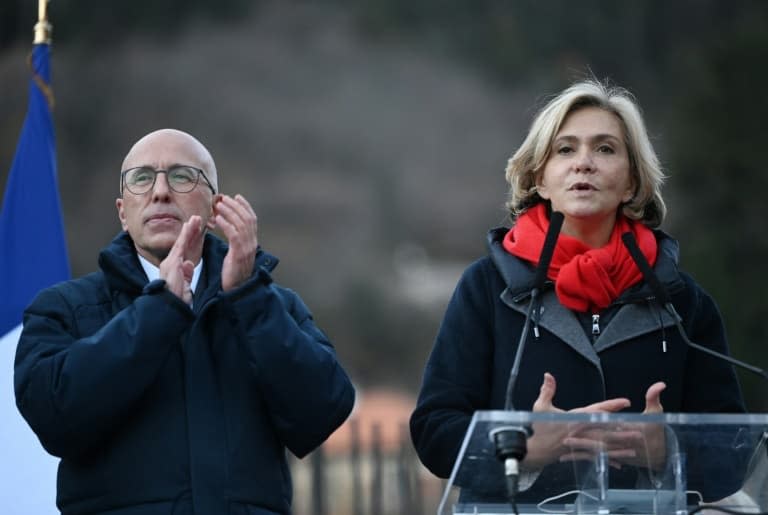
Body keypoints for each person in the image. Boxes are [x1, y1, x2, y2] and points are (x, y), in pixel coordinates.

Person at [410, 79, 747, 504]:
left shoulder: (681, 300)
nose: (583, 163)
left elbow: (734, 451)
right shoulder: (486, 287)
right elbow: (433, 430)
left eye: (605, 149)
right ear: (541, 181)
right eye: (565, 150)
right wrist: (527, 448)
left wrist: (667, 451)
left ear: (632, 183)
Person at [14, 129, 355, 515]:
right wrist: (160, 310)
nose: (160, 191)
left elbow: (323, 412)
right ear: (123, 212)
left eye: (181, 176)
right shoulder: (63, 308)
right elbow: (54, 419)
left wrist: (248, 297)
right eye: (142, 178)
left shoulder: (268, 305)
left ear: (214, 207)